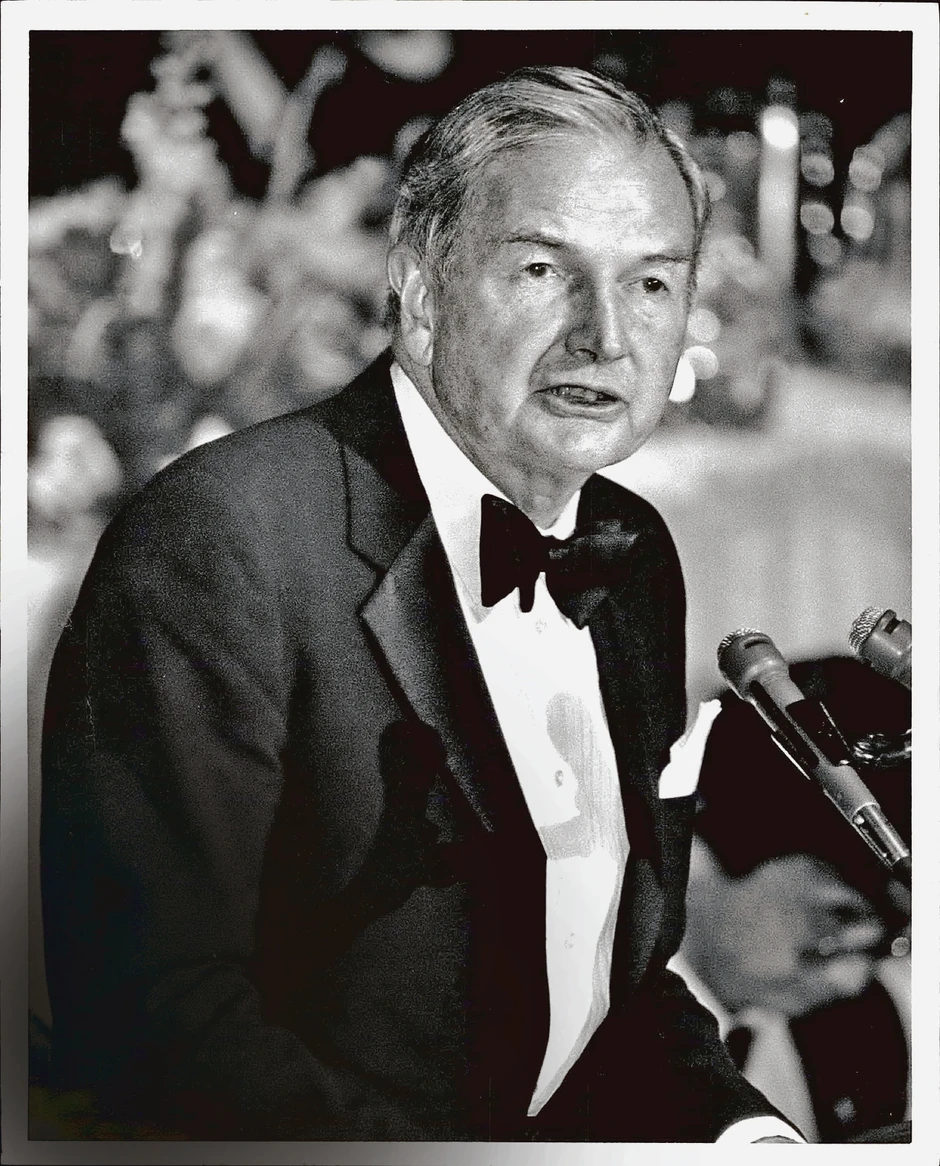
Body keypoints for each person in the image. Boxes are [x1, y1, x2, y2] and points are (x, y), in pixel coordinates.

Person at [40, 66, 800, 1143]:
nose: (604, 336)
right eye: (543, 269)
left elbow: (603, 978)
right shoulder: (222, 540)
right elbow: (157, 1028)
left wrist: (744, 1134)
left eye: (650, 283)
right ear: (420, 284)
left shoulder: (631, 551)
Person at [675, 655, 911, 1143]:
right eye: (835, 917)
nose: (850, 981)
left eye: (889, 941)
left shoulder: (869, 1038)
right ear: (700, 852)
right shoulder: (565, 1035)